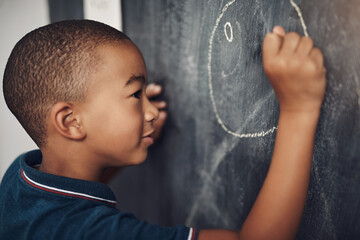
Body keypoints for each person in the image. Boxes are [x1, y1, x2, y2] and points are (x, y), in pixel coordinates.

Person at [0, 20, 326, 240]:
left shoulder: (20, 179)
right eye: (135, 95)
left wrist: (129, 125)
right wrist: (299, 109)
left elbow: (76, 173)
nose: (152, 109)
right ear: (71, 121)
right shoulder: (95, 232)